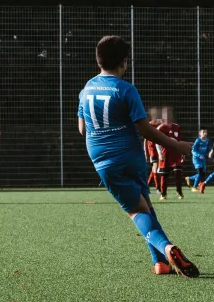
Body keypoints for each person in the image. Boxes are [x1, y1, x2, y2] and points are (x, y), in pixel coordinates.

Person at [78, 35, 198, 277]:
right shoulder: (125, 89)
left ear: (98, 60)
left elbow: (82, 129)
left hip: (104, 160)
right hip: (131, 156)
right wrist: (176, 145)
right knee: (144, 206)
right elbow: (144, 129)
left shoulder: (87, 88)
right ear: (124, 61)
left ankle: (166, 248)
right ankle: (161, 262)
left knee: (136, 211)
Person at [156, 107, 185, 200]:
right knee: (164, 176)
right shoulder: (160, 128)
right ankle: (163, 194)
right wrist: (160, 153)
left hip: (175, 155)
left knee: (178, 174)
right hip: (165, 155)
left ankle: (179, 192)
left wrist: (182, 152)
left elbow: (180, 141)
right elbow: (156, 142)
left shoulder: (177, 127)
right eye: (165, 113)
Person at [185, 127, 211, 192]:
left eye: (206, 132)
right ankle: (194, 187)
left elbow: (209, 149)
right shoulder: (198, 140)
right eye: (203, 132)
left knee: (202, 174)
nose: (205, 133)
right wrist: (199, 156)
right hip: (196, 160)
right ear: (200, 133)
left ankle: (189, 178)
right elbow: (193, 151)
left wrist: (210, 156)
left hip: (203, 160)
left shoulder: (207, 140)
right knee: (200, 173)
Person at [144, 107, 161, 193]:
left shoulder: (160, 124)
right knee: (155, 166)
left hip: (159, 149)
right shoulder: (149, 124)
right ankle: (158, 188)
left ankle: (147, 186)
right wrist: (145, 152)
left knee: (155, 168)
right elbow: (145, 139)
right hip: (152, 149)